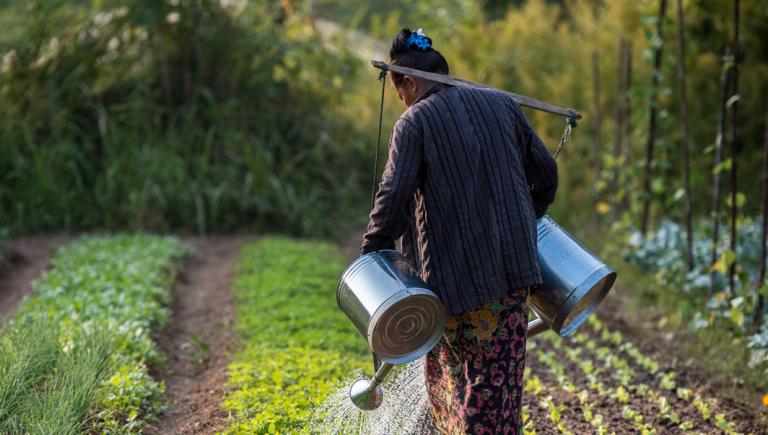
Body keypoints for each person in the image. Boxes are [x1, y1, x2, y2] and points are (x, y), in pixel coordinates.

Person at [360, 28, 558, 434]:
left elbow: (392, 199)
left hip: (452, 287)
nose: (403, 102)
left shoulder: (414, 122)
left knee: (457, 390)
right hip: (510, 281)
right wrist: (522, 220)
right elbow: (546, 174)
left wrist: (373, 256)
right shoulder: (503, 105)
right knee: (497, 390)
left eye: (401, 94)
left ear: (409, 83)